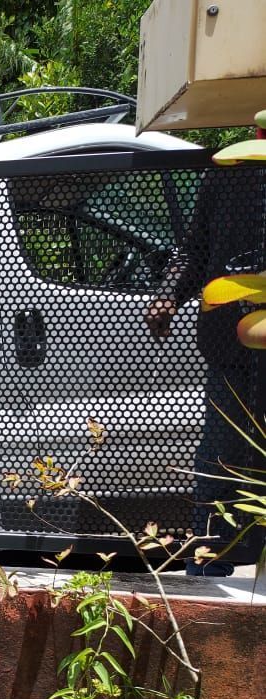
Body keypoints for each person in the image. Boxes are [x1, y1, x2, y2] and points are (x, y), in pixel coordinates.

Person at [146, 165, 266, 575]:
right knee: (218, 461)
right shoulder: (229, 175)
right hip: (231, 347)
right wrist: (167, 296)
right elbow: (195, 249)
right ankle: (206, 566)